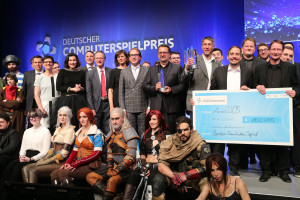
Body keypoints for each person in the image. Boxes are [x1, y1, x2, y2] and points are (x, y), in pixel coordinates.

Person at [255, 39, 299, 183]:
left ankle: (284, 171)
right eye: (273, 49)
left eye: (278, 50)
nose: (275, 52)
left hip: (283, 111)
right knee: (265, 142)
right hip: (265, 110)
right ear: (269, 50)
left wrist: (295, 92)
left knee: (282, 142)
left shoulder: (290, 68)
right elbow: (253, 85)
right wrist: (257, 86)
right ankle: (266, 171)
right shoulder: (260, 68)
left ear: (281, 51)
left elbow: (297, 86)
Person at [152, 116, 211, 200]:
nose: (182, 133)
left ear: (191, 129)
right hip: (175, 176)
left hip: (195, 178)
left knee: (207, 183)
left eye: (186, 130)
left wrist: (186, 175)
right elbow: (161, 166)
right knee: (158, 179)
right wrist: (176, 178)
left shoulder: (202, 144)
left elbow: (207, 167)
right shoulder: (169, 142)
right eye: (180, 131)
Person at [86, 108, 139, 200]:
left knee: (112, 180)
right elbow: (110, 154)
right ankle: (115, 195)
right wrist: (110, 168)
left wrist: (116, 171)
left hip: (128, 170)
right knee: (90, 176)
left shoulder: (130, 132)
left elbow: (130, 157)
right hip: (114, 168)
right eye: (112, 119)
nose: (114, 122)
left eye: (117, 118)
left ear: (123, 118)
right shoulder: (111, 132)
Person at [210, 46, 253, 160]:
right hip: (221, 111)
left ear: (241, 56)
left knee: (235, 140)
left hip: (239, 111)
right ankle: (218, 164)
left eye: (237, 54)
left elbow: (253, 90)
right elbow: (212, 90)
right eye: (232, 54)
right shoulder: (219, 71)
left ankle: (234, 166)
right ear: (228, 56)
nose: (234, 56)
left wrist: (248, 89)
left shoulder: (248, 71)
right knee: (219, 141)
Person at [50, 107, 104, 186]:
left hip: (91, 165)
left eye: (84, 117)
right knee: (54, 174)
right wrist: (67, 163)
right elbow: (74, 152)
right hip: (78, 163)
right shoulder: (79, 132)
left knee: (63, 173)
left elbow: (97, 154)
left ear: (89, 117)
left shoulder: (97, 132)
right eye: (80, 117)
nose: (82, 119)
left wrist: (77, 163)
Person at [22, 106, 75, 183]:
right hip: (52, 159)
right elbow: (52, 149)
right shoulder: (58, 129)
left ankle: (32, 193)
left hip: (61, 162)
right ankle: (28, 192)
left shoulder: (70, 130)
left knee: (32, 170)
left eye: (65, 115)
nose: (62, 117)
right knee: (25, 168)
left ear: (69, 116)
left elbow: (64, 154)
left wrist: (47, 161)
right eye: (60, 115)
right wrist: (45, 158)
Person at [123, 110, 168, 200]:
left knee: (152, 177)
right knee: (133, 175)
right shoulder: (144, 135)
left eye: (154, 119)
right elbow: (142, 153)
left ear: (160, 120)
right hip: (146, 164)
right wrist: (144, 166)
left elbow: (167, 155)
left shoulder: (166, 135)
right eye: (150, 119)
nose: (151, 122)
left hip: (159, 165)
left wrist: (158, 145)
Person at [143, 44, 184, 134]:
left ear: (169, 54)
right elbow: (145, 86)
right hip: (156, 108)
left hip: (172, 108)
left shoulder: (177, 68)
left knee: (171, 134)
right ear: (158, 55)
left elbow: (182, 86)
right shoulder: (151, 69)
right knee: (157, 134)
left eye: (164, 52)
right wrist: (155, 88)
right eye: (160, 52)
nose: (162, 54)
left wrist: (171, 90)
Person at [1, 108, 51, 183]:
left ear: (40, 118)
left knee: (17, 168)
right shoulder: (27, 131)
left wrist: (31, 159)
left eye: (35, 117)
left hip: (36, 157)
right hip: (25, 156)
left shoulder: (46, 131)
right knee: (10, 166)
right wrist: (21, 156)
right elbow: (23, 148)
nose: (33, 119)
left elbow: (45, 151)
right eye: (31, 117)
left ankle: (14, 190)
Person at [181, 37, 221, 122]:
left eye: (209, 44)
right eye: (205, 44)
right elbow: (184, 80)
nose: (207, 47)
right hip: (195, 102)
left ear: (213, 46)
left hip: (212, 103)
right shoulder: (193, 61)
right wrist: (187, 68)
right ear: (202, 47)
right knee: (195, 132)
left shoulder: (218, 64)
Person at [119, 48, 149, 137]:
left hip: (143, 106)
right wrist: (123, 108)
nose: (134, 57)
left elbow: (150, 90)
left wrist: (149, 106)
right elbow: (121, 91)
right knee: (130, 132)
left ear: (140, 57)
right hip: (128, 107)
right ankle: (133, 150)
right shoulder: (124, 71)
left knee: (143, 132)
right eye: (131, 55)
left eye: (136, 55)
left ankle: (143, 150)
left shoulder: (147, 70)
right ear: (128, 58)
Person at [54, 53, 88, 129]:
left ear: (77, 61)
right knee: (66, 122)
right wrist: (71, 89)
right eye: (70, 60)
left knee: (79, 122)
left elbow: (85, 88)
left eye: (74, 60)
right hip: (66, 101)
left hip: (79, 101)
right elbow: (58, 87)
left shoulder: (81, 72)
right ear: (67, 61)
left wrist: (80, 88)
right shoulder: (62, 72)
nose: (72, 62)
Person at [86, 51, 112, 135]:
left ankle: (107, 146)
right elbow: (89, 93)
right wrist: (92, 108)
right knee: (96, 128)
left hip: (108, 104)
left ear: (105, 59)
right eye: (97, 58)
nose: (99, 60)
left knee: (108, 127)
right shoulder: (90, 73)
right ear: (94, 59)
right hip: (96, 105)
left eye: (101, 58)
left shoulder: (110, 71)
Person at [34, 56, 60, 130]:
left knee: (57, 128)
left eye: (50, 62)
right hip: (45, 106)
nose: (48, 63)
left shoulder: (58, 77)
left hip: (58, 105)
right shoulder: (39, 77)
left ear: (52, 63)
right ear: (43, 63)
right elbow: (36, 95)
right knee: (45, 129)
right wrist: (41, 109)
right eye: (46, 62)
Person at [0, 73, 25, 138]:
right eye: (8, 80)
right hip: (4, 115)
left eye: (11, 79)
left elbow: (19, 103)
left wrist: (6, 102)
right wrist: (14, 102)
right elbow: (1, 103)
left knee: (16, 133)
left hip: (16, 115)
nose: (9, 81)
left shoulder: (20, 91)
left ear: (15, 80)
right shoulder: (2, 91)